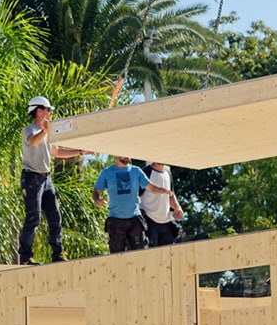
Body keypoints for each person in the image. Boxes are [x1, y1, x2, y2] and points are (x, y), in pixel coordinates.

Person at [19, 96, 93, 265]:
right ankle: (25, 257)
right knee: (33, 217)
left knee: (55, 217)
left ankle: (57, 254)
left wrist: (81, 151)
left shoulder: (48, 133)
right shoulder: (29, 130)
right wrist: (45, 131)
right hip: (31, 178)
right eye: (48, 110)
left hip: (46, 179)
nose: (51, 113)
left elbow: (57, 152)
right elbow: (34, 142)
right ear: (39, 111)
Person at [93, 156, 172, 253]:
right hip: (116, 220)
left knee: (140, 253)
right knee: (116, 255)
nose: (127, 158)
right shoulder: (107, 172)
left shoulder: (136, 171)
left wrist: (163, 191)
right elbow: (96, 191)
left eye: (128, 156)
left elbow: (150, 187)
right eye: (124, 156)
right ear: (116, 155)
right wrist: (97, 200)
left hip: (135, 218)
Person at [141, 162, 184, 247]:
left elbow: (171, 195)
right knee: (152, 255)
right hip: (150, 221)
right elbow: (136, 195)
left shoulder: (168, 172)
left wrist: (177, 208)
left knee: (168, 256)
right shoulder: (145, 172)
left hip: (166, 222)